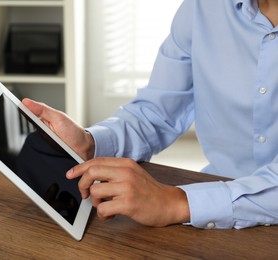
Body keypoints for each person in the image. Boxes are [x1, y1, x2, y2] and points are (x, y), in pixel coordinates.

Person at [23, 0, 278, 229]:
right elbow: (157, 112)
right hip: (214, 204)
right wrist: (90, 142)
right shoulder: (203, 7)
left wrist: (176, 203)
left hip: (214, 209)